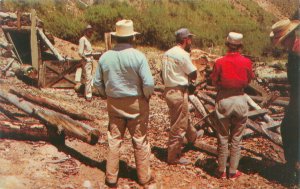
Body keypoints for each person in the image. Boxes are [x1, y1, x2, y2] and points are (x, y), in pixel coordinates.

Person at [93, 19, 155, 188]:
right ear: (132, 38)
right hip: (136, 102)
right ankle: (143, 177)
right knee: (140, 140)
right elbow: (149, 84)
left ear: (115, 38)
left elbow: (97, 83)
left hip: (114, 103)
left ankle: (111, 178)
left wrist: (107, 95)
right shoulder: (138, 57)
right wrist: (146, 96)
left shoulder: (105, 57)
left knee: (114, 139)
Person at [210, 32, 254, 179]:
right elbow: (248, 80)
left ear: (227, 45)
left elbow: (214, 81)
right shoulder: (246, 62)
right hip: (240, 99)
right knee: (237, 138)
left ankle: (221, 170)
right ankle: (233, 171)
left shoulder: (219, 62)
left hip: (224, 99)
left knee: (222, 136)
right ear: (240, 46)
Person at [161, 28, 201, 165]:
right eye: (189, 39)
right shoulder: (183, 54)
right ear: (185, 40)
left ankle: (192, 136)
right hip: (178, 91)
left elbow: (163, 73)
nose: (191, 41)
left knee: (182, 116)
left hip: (168, 91)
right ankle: (173, 157)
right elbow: (193, 73)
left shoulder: (167, 53)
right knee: (178, 125)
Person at [270, 18, 300, 183]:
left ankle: (294, 169)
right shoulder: (294, 51)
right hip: (296, 97)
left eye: (282, 40)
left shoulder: (297, 52)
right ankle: (293, 166)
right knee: (289, 130)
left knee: (291, 130)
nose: (281, 45)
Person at [75, 25, 94, 101]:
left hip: (89, 59)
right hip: (87, 60)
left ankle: (84, 92)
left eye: (91, 32)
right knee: (88, 77)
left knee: (86, 77)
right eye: (89, 31)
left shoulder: (87, 40)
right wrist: (86, 59)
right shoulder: (83, 39)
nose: (91, 33)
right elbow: (80, 52)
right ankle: (88, 95)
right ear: (85, 31)